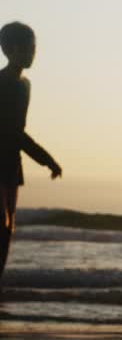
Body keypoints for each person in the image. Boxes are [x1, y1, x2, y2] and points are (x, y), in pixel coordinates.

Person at [0, 22, 62, 279]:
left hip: (12, 164)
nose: (33, 53)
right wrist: (46, 159)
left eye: (34, 48)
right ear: (12, 49)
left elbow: (18, 132)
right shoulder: (3, 84)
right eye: (29, 48)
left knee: (9, 228)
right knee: (1, 226)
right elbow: (13, 132)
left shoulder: (25, 85)